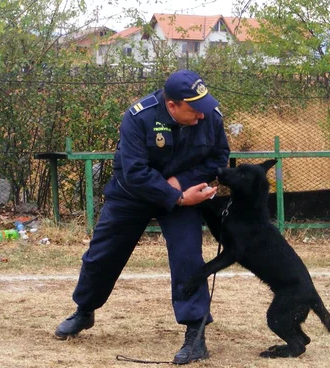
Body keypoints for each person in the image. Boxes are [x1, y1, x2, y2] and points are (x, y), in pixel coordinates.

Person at [54, 69, 230, 364]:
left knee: (188, 257)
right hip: (133, 194)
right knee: (102, 255)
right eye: (194, 110)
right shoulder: (138, 117)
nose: (201, 116)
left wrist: (182, 182)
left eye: (203, 108)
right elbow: (134, 172)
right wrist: (174, 194)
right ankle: (84, 311)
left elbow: (217, 157)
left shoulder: (210, 114)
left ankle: (195, 335)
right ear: (172, 105)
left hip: (181, 196)